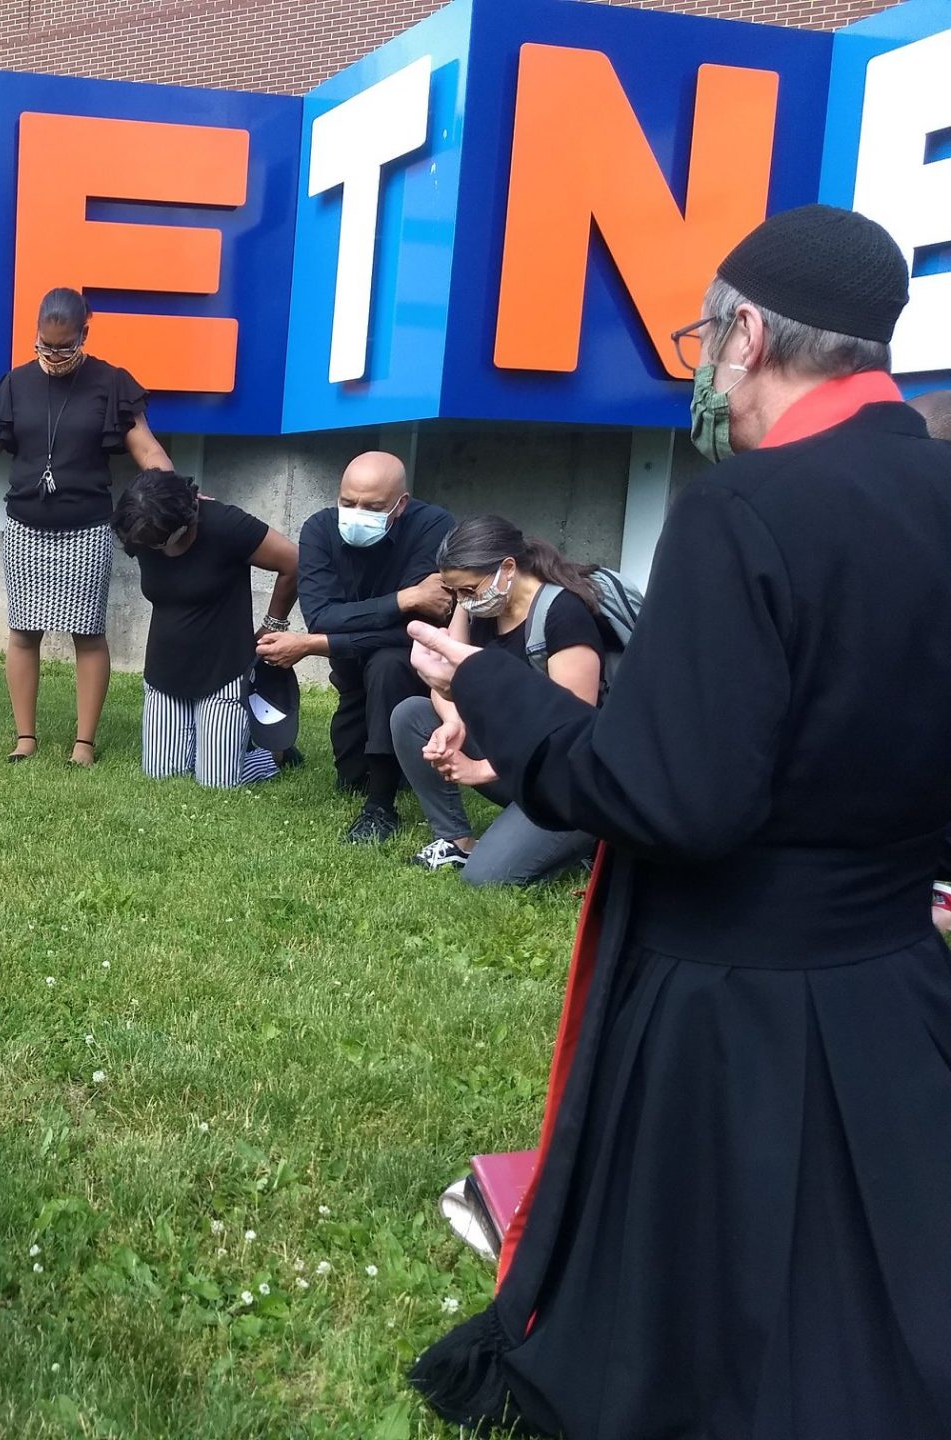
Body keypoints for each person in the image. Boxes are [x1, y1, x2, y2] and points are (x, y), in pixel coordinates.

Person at [406, 205, 951, 1438]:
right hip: (898, 989)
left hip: (732, 1002)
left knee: (711, 1319)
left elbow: (669, 797)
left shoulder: (741, 509)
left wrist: (489, 686)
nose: (703, 368)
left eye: (704, 337)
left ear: (747, 334)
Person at [0, 288, 172, 764]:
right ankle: (25, 737)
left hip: (87, 529)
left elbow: (147, 450)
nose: (53, 357)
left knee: (88, 633)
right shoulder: (16, 384)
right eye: (44, 347)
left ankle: (84, 744)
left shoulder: (110, 383)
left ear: (84, 335)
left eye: (64, 347)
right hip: (26, 528)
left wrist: (175, 493)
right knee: (22, 632)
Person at [390, 516, 600, 885]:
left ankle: (592, 842)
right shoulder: (483, 608)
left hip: (570, 780)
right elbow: (452, 679)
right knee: (413, 716)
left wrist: (482, 768)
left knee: (484, 878)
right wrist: (454, 723)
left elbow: (573, 740)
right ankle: (455, 840)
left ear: (507, 568)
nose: (462, 601)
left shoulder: (563, 613)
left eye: (468, 590)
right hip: (520, 760)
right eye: (454, 592)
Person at [256, 451, 453, 843]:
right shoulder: (319, 530)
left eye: (374, 506)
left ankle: (380, 810)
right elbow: (323, 617)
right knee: (350, 777)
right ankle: (383, 773)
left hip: (406, 667)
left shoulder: (434, 527)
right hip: (350, 671)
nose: (357, 512)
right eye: (348, 502)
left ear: (401, 504)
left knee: (387, 662)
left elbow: (417, 629)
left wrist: (316, 644)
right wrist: (404, 599)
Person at [113, 470, 299, 787]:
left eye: (159, 542)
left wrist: (273, 624)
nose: (153, 550)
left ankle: (273, 753)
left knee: (216, 782)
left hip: (224, 673)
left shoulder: (225, 524)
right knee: (163, 777)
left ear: (185, 522)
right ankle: (217, 744)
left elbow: (294, 562)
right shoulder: (142, 525)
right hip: (165, 673)